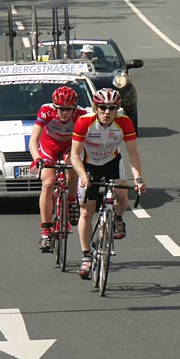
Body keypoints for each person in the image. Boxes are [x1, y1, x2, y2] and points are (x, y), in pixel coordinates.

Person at [71, 88, 146, 278]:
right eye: (102, 107)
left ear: (117, 109)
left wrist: (138, 178)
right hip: (88, 164)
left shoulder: (124, 122)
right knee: (87, 211)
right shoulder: (84, 122)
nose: (106, 112)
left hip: (111, 162)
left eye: (111, 108)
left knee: (123, 197)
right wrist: (84, 177)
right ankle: (86, 256)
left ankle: (118, 219)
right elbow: (74, 155)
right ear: (96, 107)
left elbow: (133, 154)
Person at [29, 86, 87, 252]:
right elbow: (34, 140)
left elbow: (87, 142)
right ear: (55, 107)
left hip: (70, 146)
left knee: (73, 165)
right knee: (48, 183)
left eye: (68, 109)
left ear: (74, 108)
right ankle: (46, 232)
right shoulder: (46, 111)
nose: (64, 113)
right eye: (61, 109)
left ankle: (71, 200)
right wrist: (36, 160)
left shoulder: (81, 115)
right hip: (50, 146)